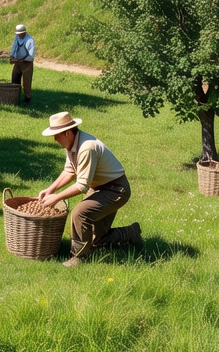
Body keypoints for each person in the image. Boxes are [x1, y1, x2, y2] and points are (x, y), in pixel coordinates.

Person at [37, 111, 141, 267]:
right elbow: (69, 171)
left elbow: (81, 185)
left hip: (115, 190)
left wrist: (57, 197)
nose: (54, 139)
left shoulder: (87, 147)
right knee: (97, 241)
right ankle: (130, 233)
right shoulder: (72, 144)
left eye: (57, 134)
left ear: (66, 133)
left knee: (79, 213)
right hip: (101, 187)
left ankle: (79, 257)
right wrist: (50, 189)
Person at [10, 24, 36, 105]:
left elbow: (31, 56)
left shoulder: (30, 40)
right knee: (14, 79)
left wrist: (21, 59)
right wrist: (12, 57)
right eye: (17, 33)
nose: (18, 35)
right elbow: (14, 48)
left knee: (26, 82)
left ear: (24, 32)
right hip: (18, 62)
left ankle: (27, 99)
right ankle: (14, 98)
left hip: (26, 63)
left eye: (20, 33)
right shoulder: (17, 38)